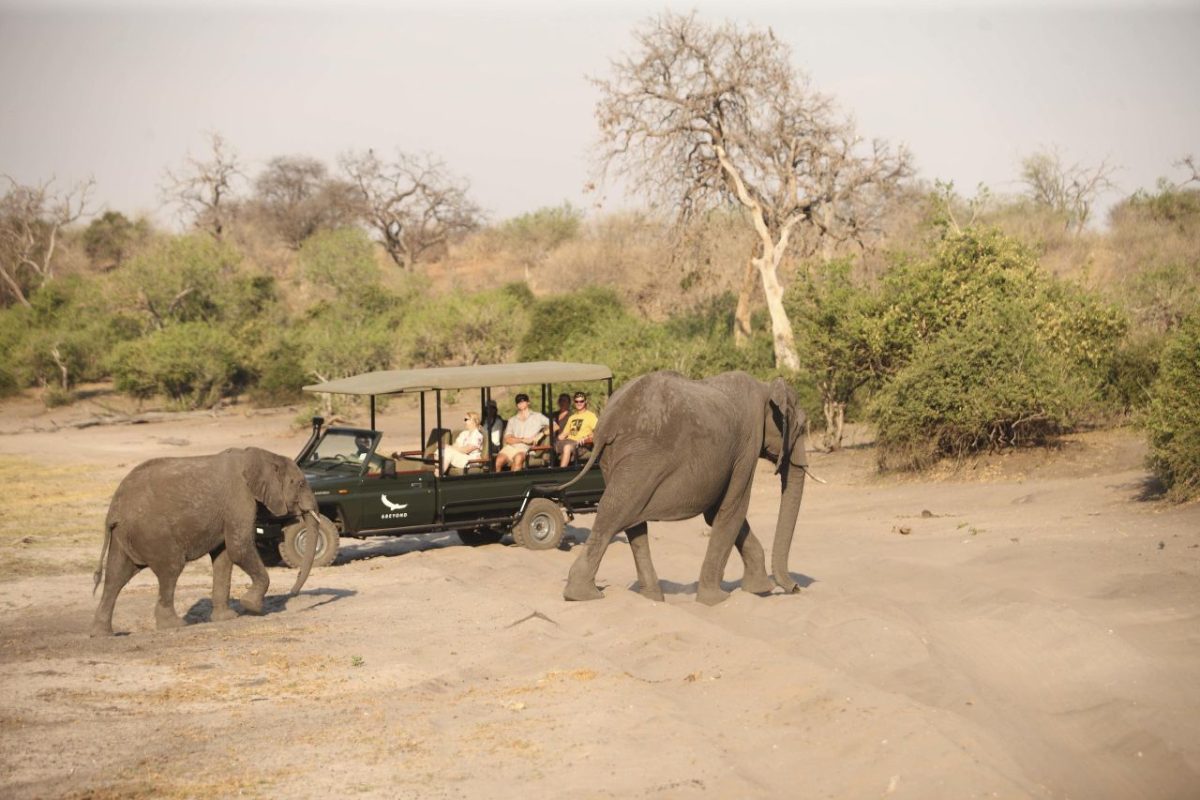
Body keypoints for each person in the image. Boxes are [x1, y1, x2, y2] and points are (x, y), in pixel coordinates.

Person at [495, 393, 550, 472]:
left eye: (523, 400)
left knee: (518, 458)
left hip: (526, 448)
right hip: (512, 447)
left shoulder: (538, 416)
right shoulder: (512, 420)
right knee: (499, 460)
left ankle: (513, 482)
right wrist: (523, 440)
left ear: (528, 402)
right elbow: (507, 439)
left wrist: (541, 434)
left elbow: (555, 426)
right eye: (518, 402)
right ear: (516, 405)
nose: (521, 403)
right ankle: (498, 482)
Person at [558, 391, 598, 467]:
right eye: (576, 401)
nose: (579, 403)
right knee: (554, 446)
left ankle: (561, 473)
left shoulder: (591, 416)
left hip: (582, 444)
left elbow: (598, 432)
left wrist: (587, 438)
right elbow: (563, 434)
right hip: (569, 441)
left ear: (585, 402)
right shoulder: (572, 417)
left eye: (581, 401)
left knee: (567, 447)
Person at [550, 392, 572, 461]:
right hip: (551, 440)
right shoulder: (553, 415)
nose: (562, 403)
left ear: (569, 403)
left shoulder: (572, 416)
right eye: (561, 400)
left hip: (563, 440)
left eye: (564, 401)